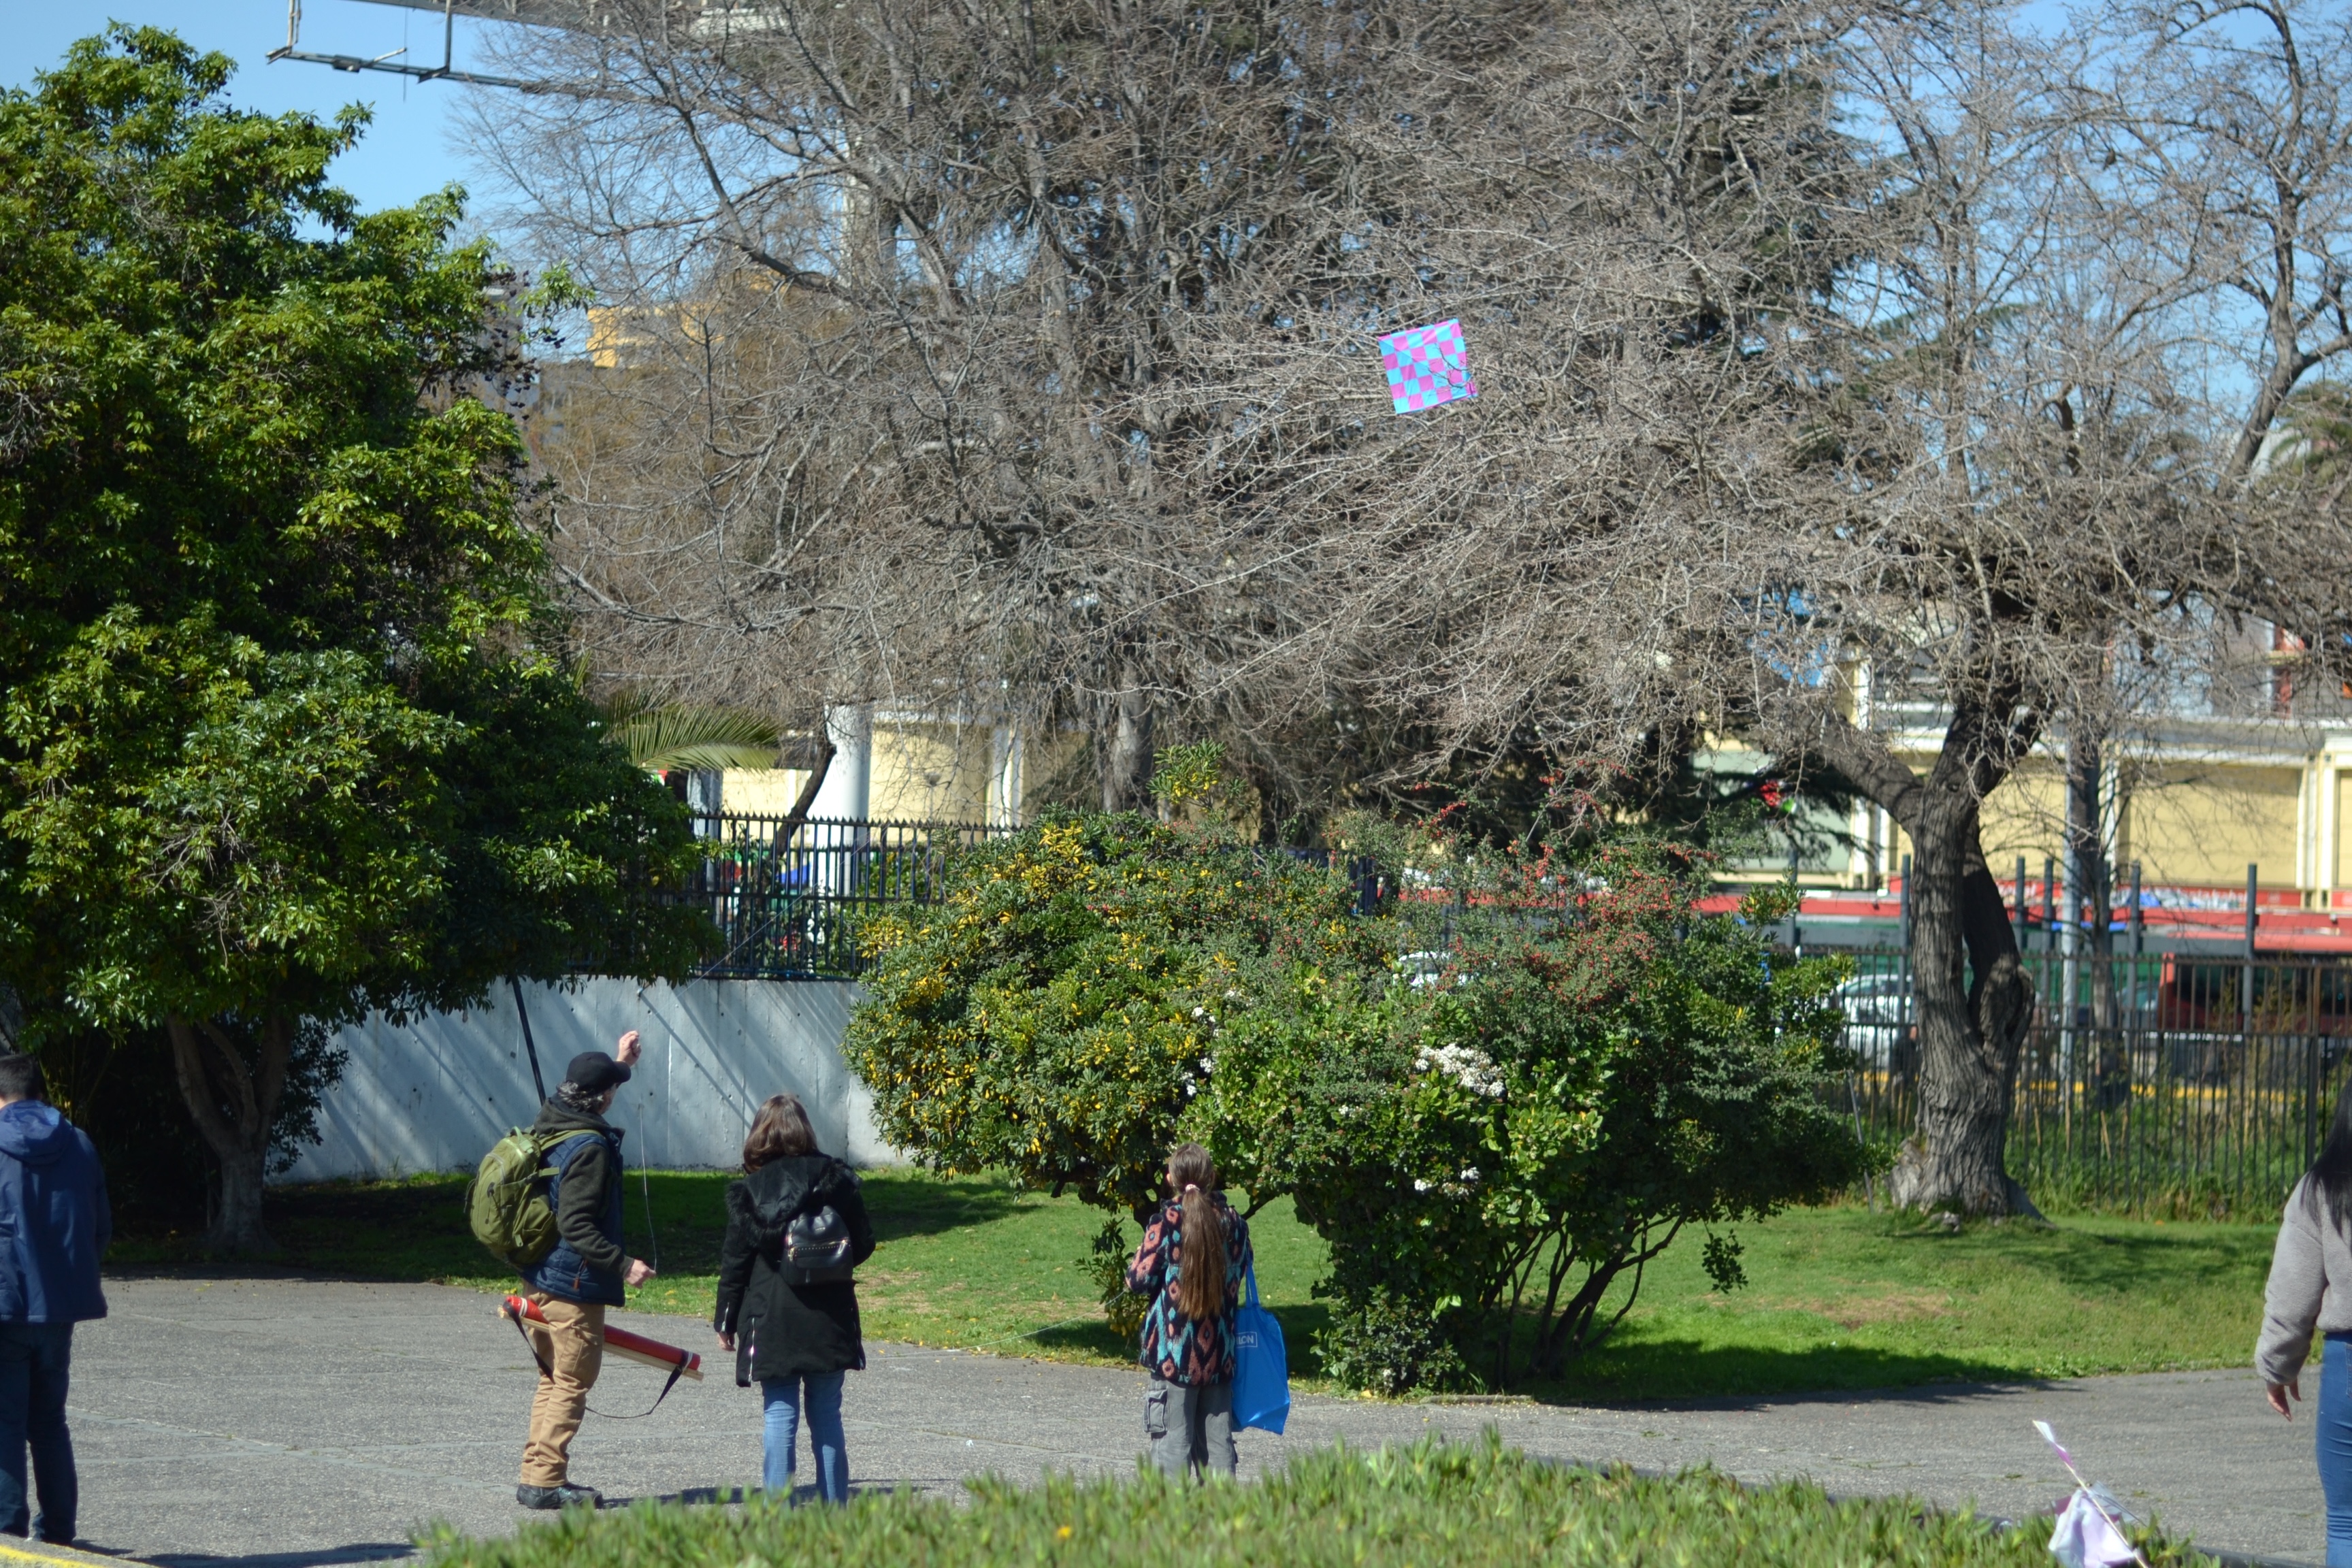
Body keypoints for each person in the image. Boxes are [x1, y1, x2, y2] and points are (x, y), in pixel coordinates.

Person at [514, 1032, 655, 1511]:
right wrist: (623, 1264)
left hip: (540, 1278)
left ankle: (539, 1474)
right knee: (571, 1382)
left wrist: (620, 1063)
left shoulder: (553, 1118)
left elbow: (596, 1087)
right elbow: (575, 1223)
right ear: (601, 1099)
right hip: (571, 1286)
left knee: (552, 1378)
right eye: (611, 1088)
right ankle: (545, 1482)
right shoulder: (591, 1148)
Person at [713, 1093, 873, 1503]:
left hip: (772, 1316)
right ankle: (834, 1512)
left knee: (779, 1415)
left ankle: (777, 1518)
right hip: (830, 1316)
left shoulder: (751, 1191)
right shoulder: (837, 1180)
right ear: (805, 1130)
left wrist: (726, 1321)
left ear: (759, 1137)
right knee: (826, 1415)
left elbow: (735, 1264)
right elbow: (864, 1244)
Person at [0, 1054, 109, 1545]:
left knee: (4, 1422)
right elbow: (99, 1226)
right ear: (43, 1092)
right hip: (59, 1307)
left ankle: (7, 1528)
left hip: (5, 1305)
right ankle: (60, 1529)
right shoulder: (80, 1143)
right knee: (49, 1422)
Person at [2261, 1077, 2352, 1565]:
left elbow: (2293, 1293)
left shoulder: (2323, 1187)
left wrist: (2278, 1367)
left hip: (2349, 1364)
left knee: (2348, 1519)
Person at [1125, 1141, 1251, 1480]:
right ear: (1212, 1177)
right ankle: (1226, 1525)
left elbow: (1136, 1280)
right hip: (1219, 1358)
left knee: (1170, 1450)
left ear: (1170, 1179)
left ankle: (1171, 1529)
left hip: (1173, 1357)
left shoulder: (1166, 1222)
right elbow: (1242, 1267)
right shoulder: (1235, 1223)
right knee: (1219, 1452)